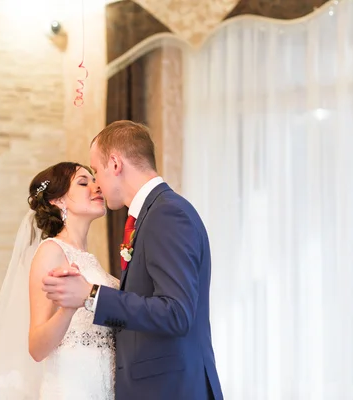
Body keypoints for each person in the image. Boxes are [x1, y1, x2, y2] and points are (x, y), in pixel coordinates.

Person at [42, 120, 224, 400]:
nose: (97, 184)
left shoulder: (166, 214)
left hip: (171, 390)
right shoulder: (154, 214)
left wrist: (91, 294)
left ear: (115, 164)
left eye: (96, 171)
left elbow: (176, 312)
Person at [0, 162, 119, 400]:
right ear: (57, 201)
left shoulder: (89, 259)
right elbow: (37, 347)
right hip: (72, 390)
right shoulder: (51, 251)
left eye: (94, 179)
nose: (96, 186)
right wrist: (68, 309)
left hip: (102, 387)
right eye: (83, 182)